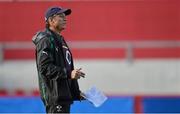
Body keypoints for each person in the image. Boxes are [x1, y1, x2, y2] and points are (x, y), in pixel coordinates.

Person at [32, 6, 85, 113]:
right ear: (51, 20)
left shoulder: (59, 39)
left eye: (65, 16)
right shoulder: (46, 39)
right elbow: (45, 68)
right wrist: (69, 73)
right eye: (61, 16)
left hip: (63, 98)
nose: (65, 19)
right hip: (55, 99)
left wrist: (75, 92)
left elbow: (66, 67)